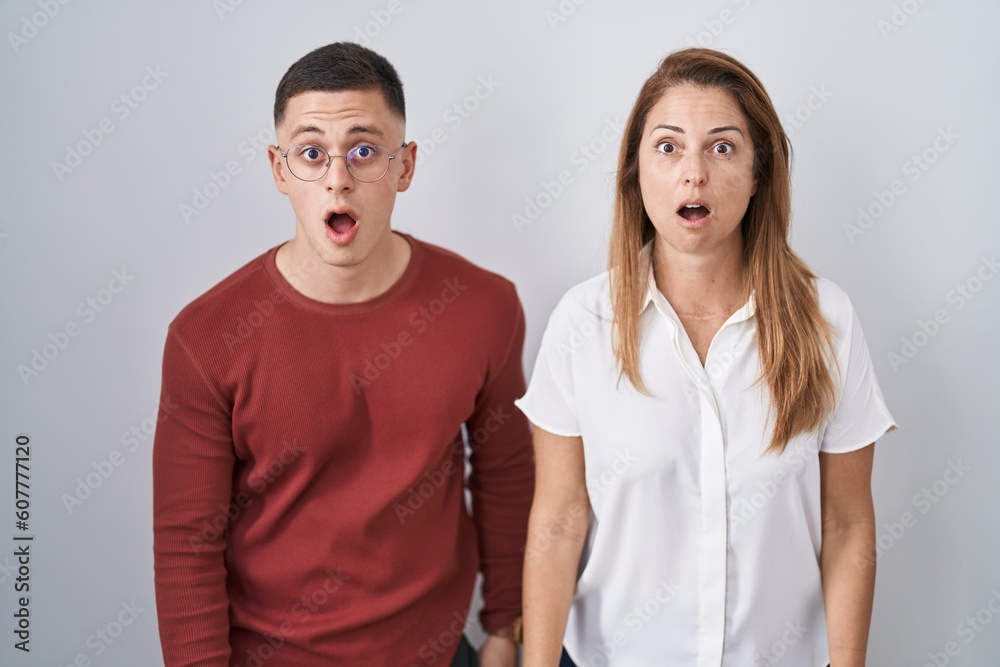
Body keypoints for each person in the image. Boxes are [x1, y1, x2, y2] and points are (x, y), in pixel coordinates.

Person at [152, 42, 531, 667]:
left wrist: (505, 630)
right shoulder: (204, 337)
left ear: (404, 167)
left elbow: (507, 478)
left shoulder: (485, 307)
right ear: (279, 171)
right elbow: (185, 542)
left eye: (363, 150)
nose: (338, 177)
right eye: (311, 153)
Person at [515, 47, 896, 667]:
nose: (694, 173)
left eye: (722, 147)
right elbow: (558, 522)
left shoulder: (827, 320)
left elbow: (848, 524)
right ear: (636, 173)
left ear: (757, 173)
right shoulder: (581, 323)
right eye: (668, 146)